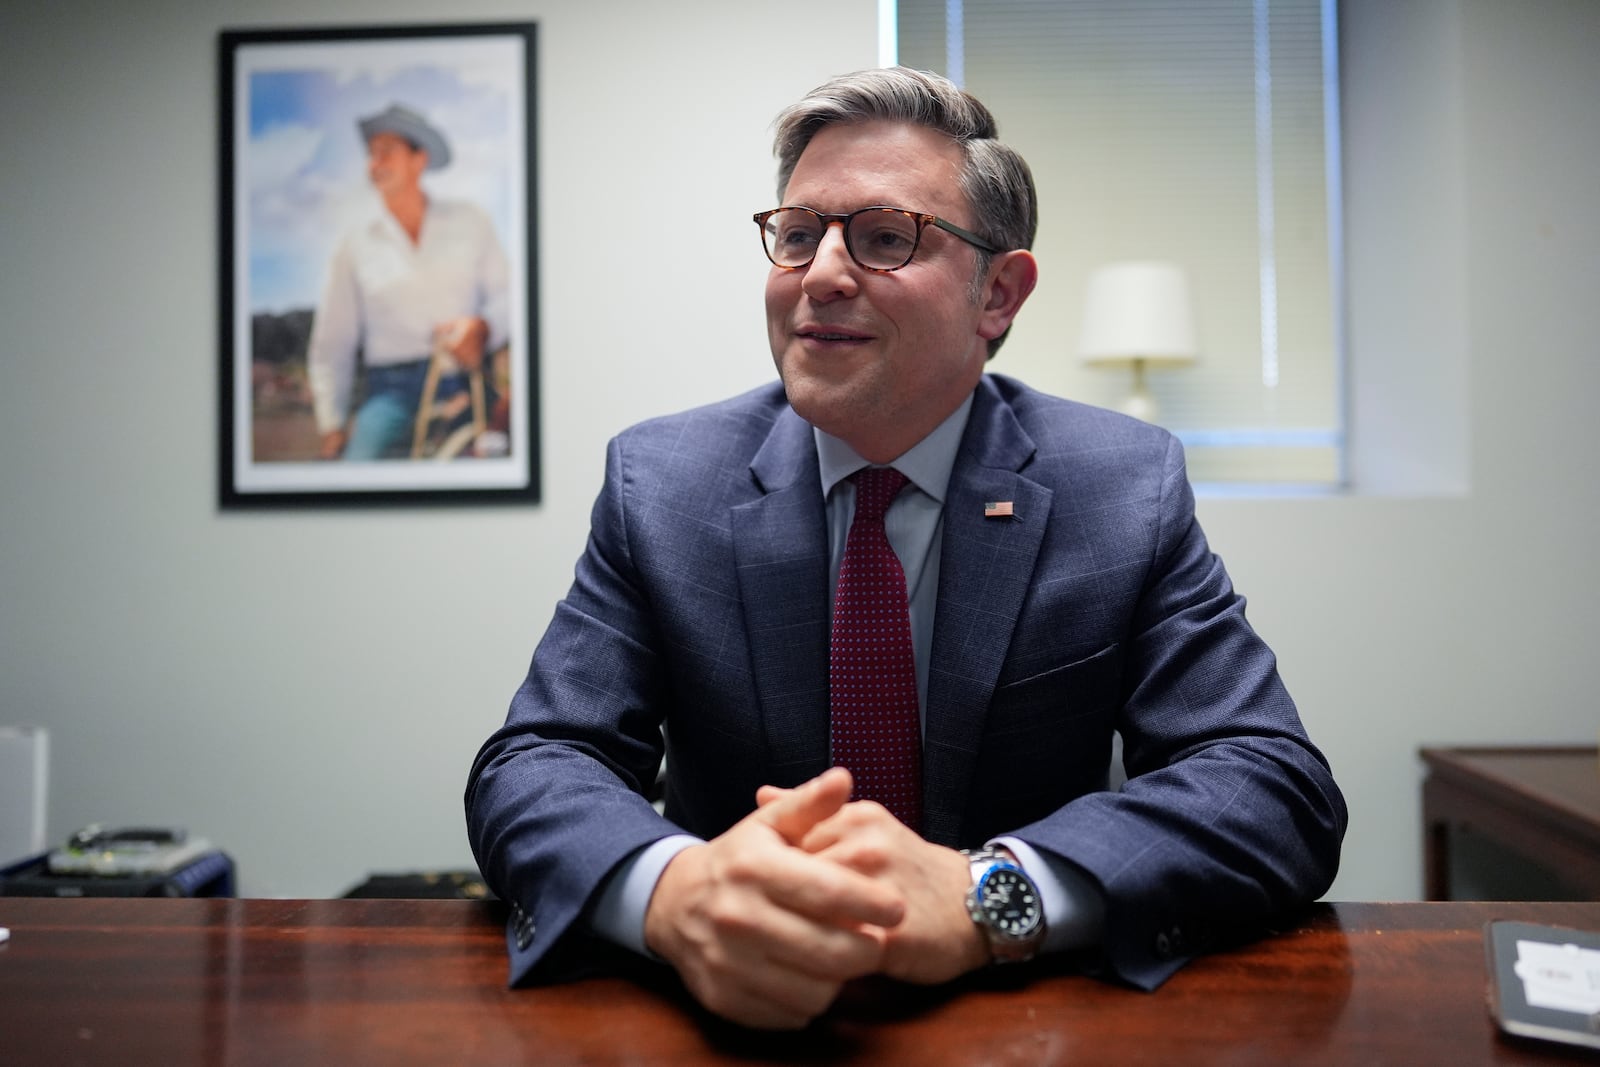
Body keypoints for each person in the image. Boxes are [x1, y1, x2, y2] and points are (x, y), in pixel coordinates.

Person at [465, 67, 1346, 1031]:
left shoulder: (1121, 485)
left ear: (997, 294)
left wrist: (991, 897)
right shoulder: (663, 483)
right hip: (738, 1021)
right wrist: (676, 894)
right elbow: (539, 760)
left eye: (886, 239)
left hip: (1028, 1025)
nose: (822, 273)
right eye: (799, 235)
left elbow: (1269, 782)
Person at [306, 103, 510, 461]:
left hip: (469, 381)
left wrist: (483, 327)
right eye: (371, 155)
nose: (374, 164)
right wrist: (332, 424)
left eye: (386, 152)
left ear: (419, 160)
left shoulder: (470, 221)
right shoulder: (354, 243)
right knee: (359, 477)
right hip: (390, 392)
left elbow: (510, 297)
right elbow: (332, 341)